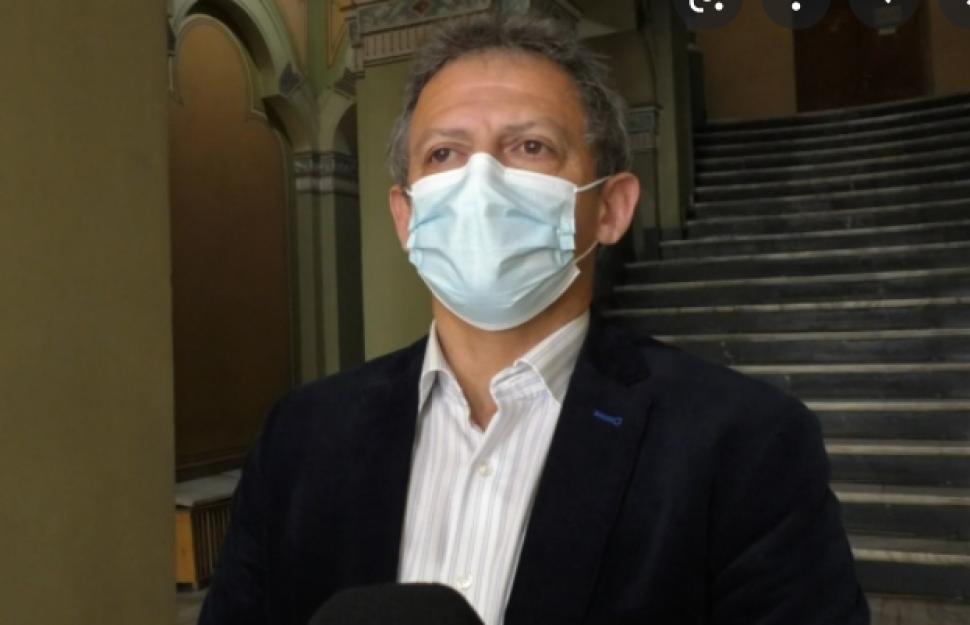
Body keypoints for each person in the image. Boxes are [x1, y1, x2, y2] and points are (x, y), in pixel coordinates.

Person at [199, 13, 869, 625]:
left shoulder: (744, 444)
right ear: (406, 218)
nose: (480, 183)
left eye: (529, 147)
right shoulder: (301, 438)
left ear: (611, 208)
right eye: (444, 154)